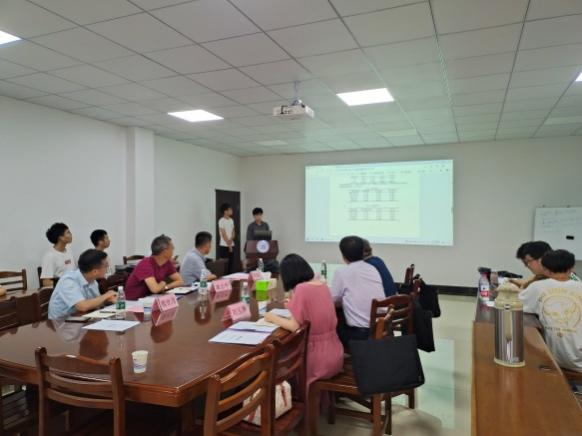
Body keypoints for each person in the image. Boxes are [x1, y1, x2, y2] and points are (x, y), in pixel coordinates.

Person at [264, 254, 343, 387]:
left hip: (316, 360)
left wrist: (271, 317)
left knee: (277, 361)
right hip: (335, 353)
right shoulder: (322, 285)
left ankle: (290, 398)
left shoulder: (301, 289)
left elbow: (295, 327)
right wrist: (292, 304)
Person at [519, 249, 582, 372]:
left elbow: (515, 303)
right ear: (571, 268)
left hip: (552, 360)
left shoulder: (537, 287)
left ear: (545, 269)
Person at [331, 236, 385, 350]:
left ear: (343, 255)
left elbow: (332, 300)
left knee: (329, 328)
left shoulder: (341, 272)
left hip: (359, 337)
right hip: (381, 331)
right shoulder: (372, 269)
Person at [48, 249, 117, 320]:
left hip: (80, 318)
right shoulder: (68, 281)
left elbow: (96, 302)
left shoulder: (92, 280)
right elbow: (82, 306)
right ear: (95, 272)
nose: (107, 269)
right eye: (106, 266)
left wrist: (108, 299)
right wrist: (106, 295)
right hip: (61, 322)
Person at [124, 235, 184, 300]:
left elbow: (180, 281)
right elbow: (155, 289)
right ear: (164, 251)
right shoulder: (146, 264)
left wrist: (165, 287)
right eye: (171, 247)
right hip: (134, 301)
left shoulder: (167, 262)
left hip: (151, 298)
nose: (173, 249)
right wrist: (163, 282)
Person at [514, 241, 579, 288]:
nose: (527, 266)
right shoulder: (541, 276)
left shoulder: (566, 275)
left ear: (542, 259)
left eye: (528, 261)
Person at [41, 222, 76, 287]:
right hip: (61, 290)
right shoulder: (49, 256)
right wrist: (66, 284)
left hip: (73, 288)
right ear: (61, 237)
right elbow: (46, 282)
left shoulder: (69, 251)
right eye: (68, 232)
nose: (71, 234)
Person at [218, 203, 236, 274]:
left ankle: (230, 277)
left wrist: (231, 239)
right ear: (225, 211)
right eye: (230, 209)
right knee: (224, 264)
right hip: (224, 245)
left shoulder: (231, 220)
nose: (231, 210)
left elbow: (233, 231)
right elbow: (223, 234)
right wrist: (229, 245)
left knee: (231, 264)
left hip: (231, 244)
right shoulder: (221, 221)